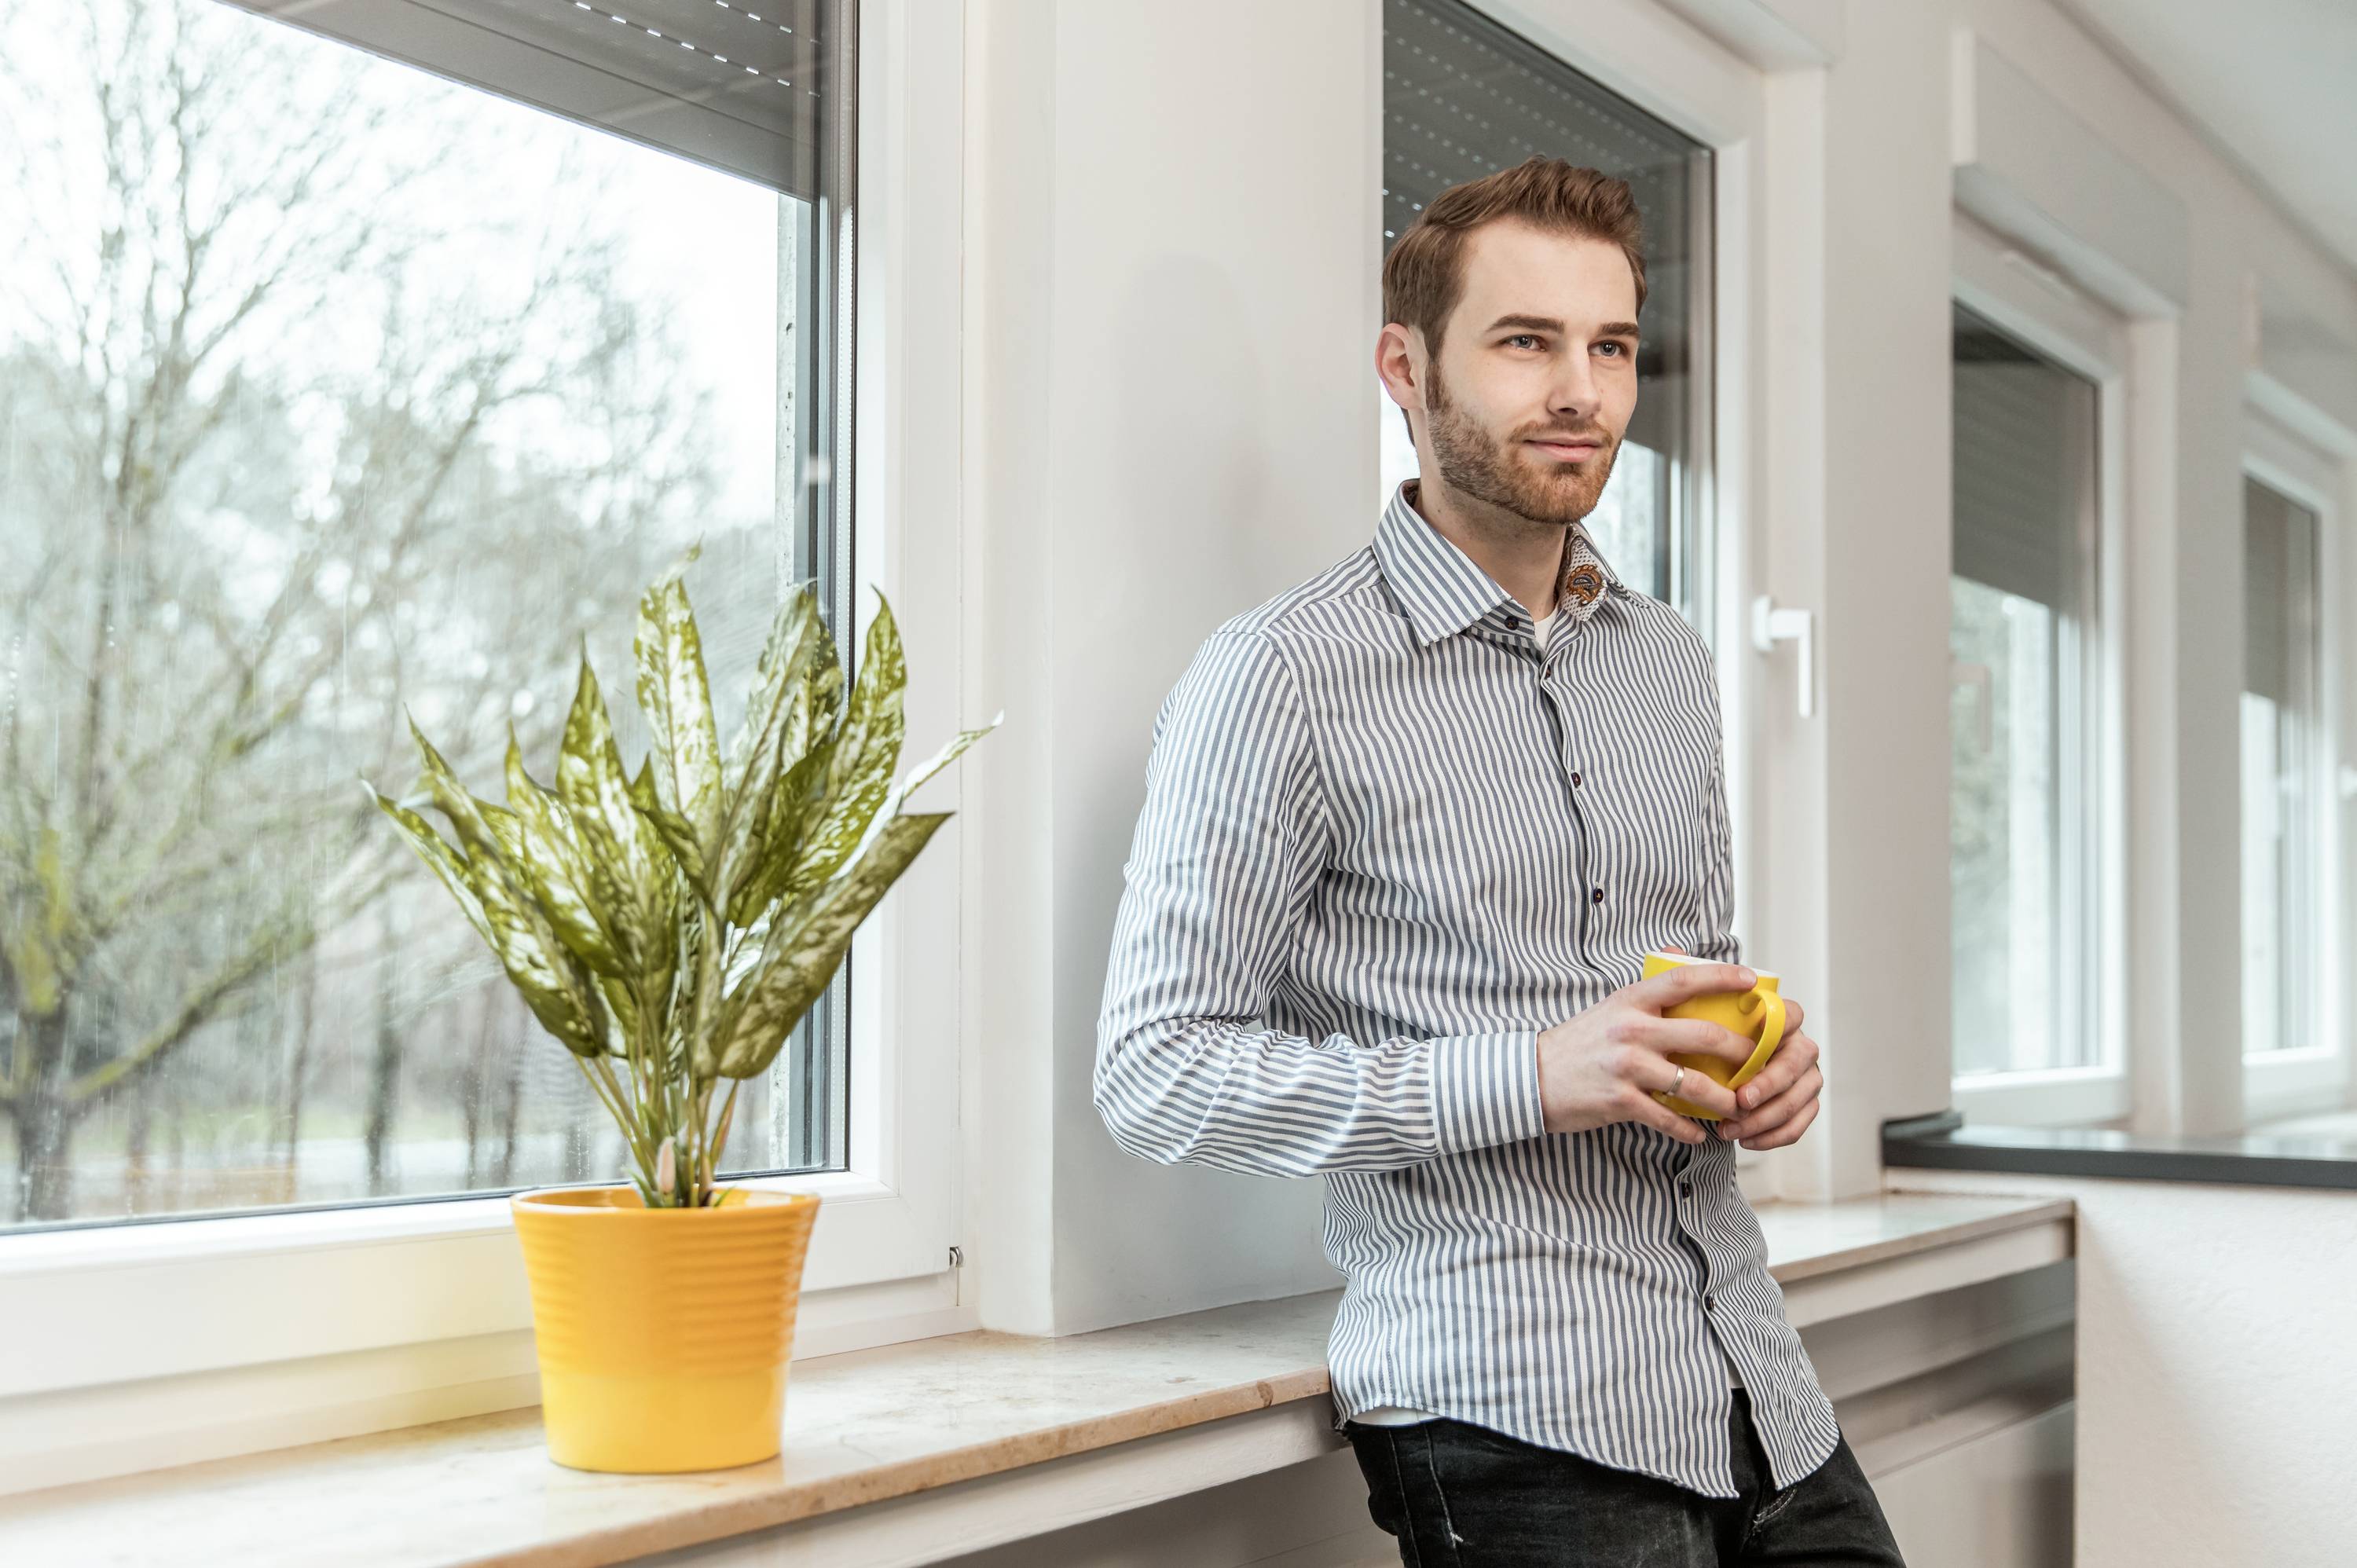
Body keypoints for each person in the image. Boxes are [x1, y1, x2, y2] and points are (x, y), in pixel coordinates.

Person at [1093, 158, 1904, 1565]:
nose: (1581, 390)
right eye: (1526, 342)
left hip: (1754, 1384)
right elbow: (1156, 1071)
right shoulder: (1278, 677)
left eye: (1610, 346)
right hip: (1508, 1406)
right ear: (1405, 369)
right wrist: (1530, 1074)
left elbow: (1674, 990)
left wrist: (1760, 1064)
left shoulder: (1669, 666)